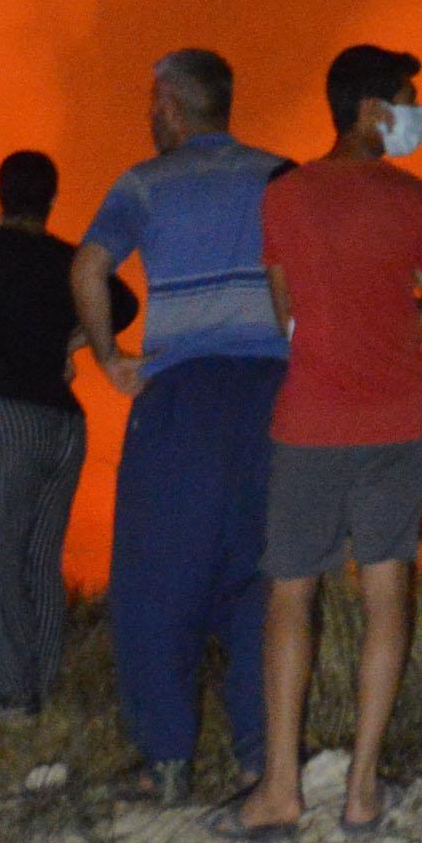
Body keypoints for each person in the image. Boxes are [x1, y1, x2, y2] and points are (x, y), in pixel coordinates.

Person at [220, 46, 422, 839]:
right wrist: (407, 311)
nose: (413, 111)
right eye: (405, 98)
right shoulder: (418, 198)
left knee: (291, 592)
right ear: (370, 110)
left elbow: (284, 312)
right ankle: (361, 788)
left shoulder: (283, 197)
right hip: (397, 420)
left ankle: (281, 786)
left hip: (310, 420)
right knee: (387, 588)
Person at [74, 49, 292, 803]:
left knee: (155, 577)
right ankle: (261, 758)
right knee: (263, 575)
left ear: (169, 103)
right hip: (274, 393)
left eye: (149, 100)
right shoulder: (276, 173)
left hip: (182, 397)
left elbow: (87, 268)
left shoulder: (144, 183)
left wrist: (108, 358)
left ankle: (167, 762)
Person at [0, 152, 136, 717]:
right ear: (52, 199)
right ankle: (41, 688)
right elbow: (125, 303)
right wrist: (76, 341)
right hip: (61, 424)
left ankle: (11, 695)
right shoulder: (68, 260)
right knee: (40, 560)